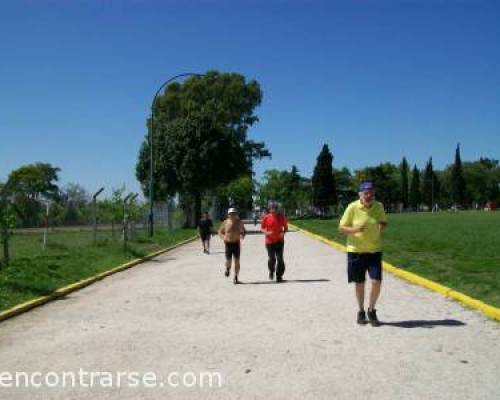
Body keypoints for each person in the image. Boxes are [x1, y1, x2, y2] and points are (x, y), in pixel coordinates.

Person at [339, 181, 388, 326]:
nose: (369, 195)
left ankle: (371, 310)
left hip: (374, 250)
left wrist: (379, 228)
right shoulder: (352, 207)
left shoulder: (379, 206)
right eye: (366, 193)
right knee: (359, 283)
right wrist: (355, 230)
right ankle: (361, 311)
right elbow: (341, 228)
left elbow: (384, 222)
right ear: (360, 194)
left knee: (376, 282)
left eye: (371, 193)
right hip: (356, 252)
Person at [261, 202, 288, 282]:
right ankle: (271, 271)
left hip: (279, 241)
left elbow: (286, 228)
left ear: (277, 209)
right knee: (272, 258)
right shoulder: (266, 218)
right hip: (269, 242)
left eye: (275, 209)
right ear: (269, 209)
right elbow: (262, 228)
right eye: (272, 209)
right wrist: (266, 232)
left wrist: (283, 233)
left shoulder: (282, 217)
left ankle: (279, 275)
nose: (273, 210)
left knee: (280, 259)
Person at [218, 208, 246, 284]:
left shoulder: (240, 222)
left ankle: (236, 277)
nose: (232, 215)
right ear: (228, 215)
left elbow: (244, 231)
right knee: (229, 261)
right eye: (231, 214)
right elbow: (220, 231)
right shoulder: (225, 222)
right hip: (228, 244)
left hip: (236, 243)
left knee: (237, 261)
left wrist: (243, 234)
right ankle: (227, 268)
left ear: (236, 214)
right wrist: (223, 237)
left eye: (234, 213)